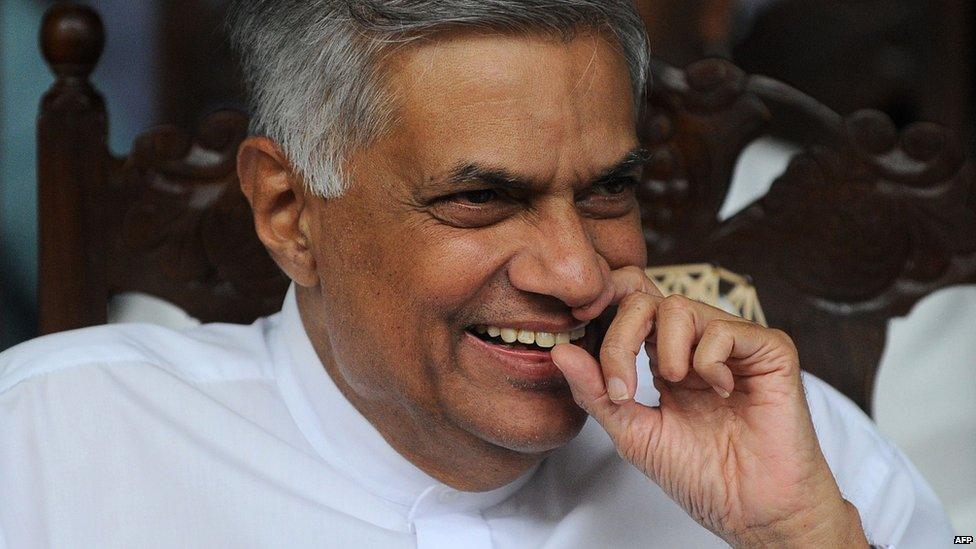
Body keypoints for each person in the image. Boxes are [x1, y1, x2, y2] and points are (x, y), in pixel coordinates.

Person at [0, 1, 955, 547]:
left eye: (609, 191)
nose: (579, 272)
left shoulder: (792, 451)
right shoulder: (50, 444)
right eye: (479, 200)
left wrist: (802, 537)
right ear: (289, 213)